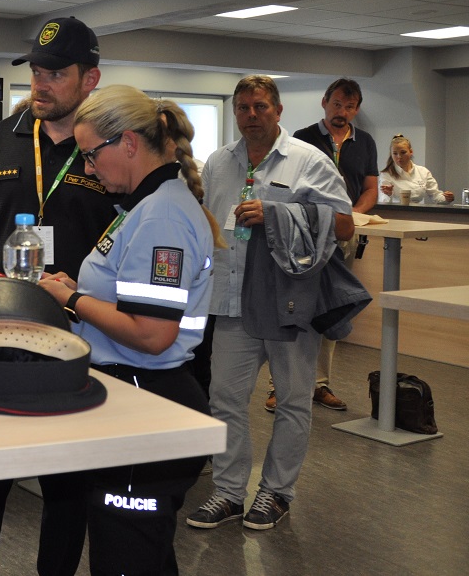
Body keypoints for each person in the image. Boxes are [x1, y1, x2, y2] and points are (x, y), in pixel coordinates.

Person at [0, 16, 118, 576]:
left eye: (56, 73)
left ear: (90, 79)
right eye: (36, 71)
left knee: (68, 489)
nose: (41, 83)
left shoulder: (108, 149)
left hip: (76, 339)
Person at [33, 85, 218, 575]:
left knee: (125, 557)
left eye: (92, 155)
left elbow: (153, 334)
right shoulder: (146, 207)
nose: (88, 169)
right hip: (135, 396)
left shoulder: (162, 216)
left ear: (130, 144)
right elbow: (134, 303)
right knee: (144, 554)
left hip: (149, 397)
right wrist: (81, 293)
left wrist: (72, 299)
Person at [188, 75, 353, 533]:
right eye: (243, 108)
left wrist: (280, 212)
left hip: (288, 302)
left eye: (260, 106)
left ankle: (276, 492)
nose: (251, 115)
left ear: (278, 111)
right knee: (224, 399)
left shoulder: (308, 161)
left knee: (294, 402)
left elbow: (344, 226)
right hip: (232, 301)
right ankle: (227, 492)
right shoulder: (219, 163)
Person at [285, 77, 377, 412]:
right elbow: (292, 188)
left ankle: (320, 384)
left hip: (343, 234)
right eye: (337, 104)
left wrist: (352, 214)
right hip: (307, 234)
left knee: (331, 305)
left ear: (357, 109)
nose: (342, 112)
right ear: (325, 102)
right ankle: (278, 385)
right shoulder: (303, 140)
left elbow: (370, 189)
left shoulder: (364, 142)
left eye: (349, 107)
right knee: (295, 304)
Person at [380, 134, 454, 203]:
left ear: (411, 151)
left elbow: (436, 195)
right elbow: (383, 201)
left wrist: (447, 198)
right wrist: (388, 194)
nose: (399, 157)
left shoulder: (423, 172)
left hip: (417, 213)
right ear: (391, 154)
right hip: (395, 213)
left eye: (403, 152)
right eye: (395, 153)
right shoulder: (386, 174)